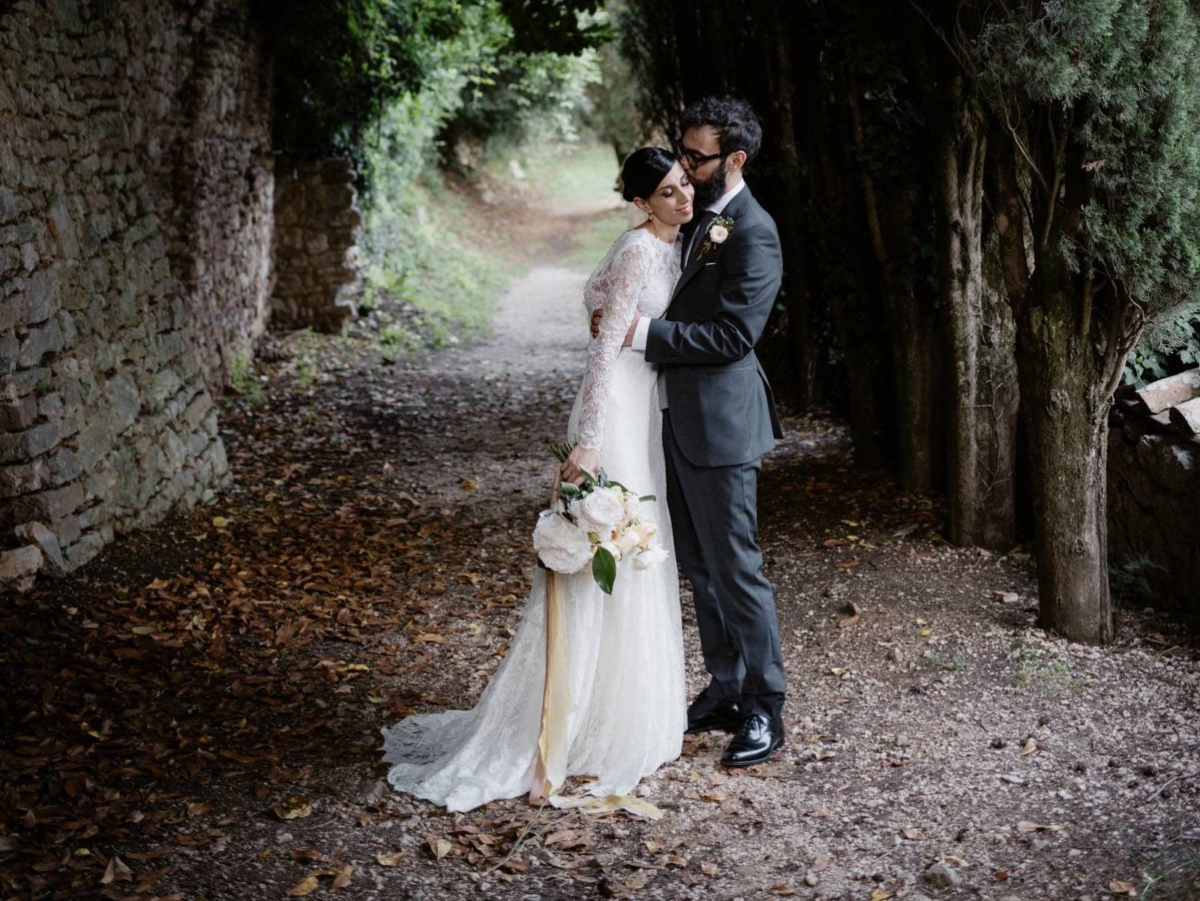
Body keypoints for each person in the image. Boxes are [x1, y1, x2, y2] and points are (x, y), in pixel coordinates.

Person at [379, 148, 695, 812]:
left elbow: (593, 292)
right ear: (642, 203)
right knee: (613, 549)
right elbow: (606, 343)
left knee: (640, 543)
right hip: (613, 411)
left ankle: (622, 706)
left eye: (685, 185)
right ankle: (571, 717)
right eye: (668, 192)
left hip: (644, 409)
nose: (683, 198)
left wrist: (602, 308)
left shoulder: (676, 243)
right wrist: (588, 437)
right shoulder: (640, 249)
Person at [592, 96, 787, 767]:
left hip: (724, 425)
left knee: (737, 568)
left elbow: (734, 334)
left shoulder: (755, 231)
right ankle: (726, 688)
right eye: (683, 153)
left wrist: (640, 334)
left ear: (734, 159)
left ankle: (767, 707)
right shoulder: (701, 214)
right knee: (700, 568)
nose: (685, 165)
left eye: (696, 157)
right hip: (676, 418)